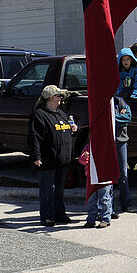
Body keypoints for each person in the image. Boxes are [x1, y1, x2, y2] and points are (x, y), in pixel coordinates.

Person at [28, 85, 77, 227]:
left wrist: (72, 129)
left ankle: (60, 214)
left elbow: (64, 130)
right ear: (50, 98)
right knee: (47, 190)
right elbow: (34, 138)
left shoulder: (61, 113)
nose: (61, 98)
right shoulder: (39, 115)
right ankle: (47, 216)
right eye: (58, 96)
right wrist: (36, 156)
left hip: (62, 159)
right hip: (47, 160)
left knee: (59, 190)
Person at [78, 143, 114, 228]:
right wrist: (85, 157)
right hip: (91, 177)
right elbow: (81, 160)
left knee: (104, 198)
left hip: (104, 177)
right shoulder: (88, 146)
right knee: (91, 199)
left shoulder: (107, 145)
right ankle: (91, 219)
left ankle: (105, 219)